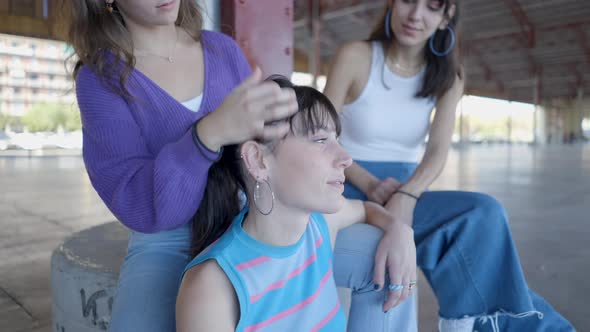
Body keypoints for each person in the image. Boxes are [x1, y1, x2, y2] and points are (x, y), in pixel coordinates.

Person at [66, 1, 417, 331]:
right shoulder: (100, 79)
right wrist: (207, 135)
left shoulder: (221, 50)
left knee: (385, 259)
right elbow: (138, 205)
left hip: (251, 216)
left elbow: (270, 146)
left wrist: (399, 228)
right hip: (168, 238)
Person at [324, 0, 575, 331]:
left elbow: (438, 151)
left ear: (447, 17)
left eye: (431, 7)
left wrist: (408, 195)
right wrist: (370, 184)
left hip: (404, 191)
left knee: (482, 214)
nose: (416, 15)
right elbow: (322, 134)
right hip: (347, 183)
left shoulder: (448, 76)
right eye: (408, 2)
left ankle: (462, 322)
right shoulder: (355, 56)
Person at [176, 76, 417, 332]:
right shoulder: (213, 286)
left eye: (337, 140)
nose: (346, 158)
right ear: (258, 160)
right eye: (321, 140)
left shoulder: (320, 225)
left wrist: (399, 230)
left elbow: (366, 210)